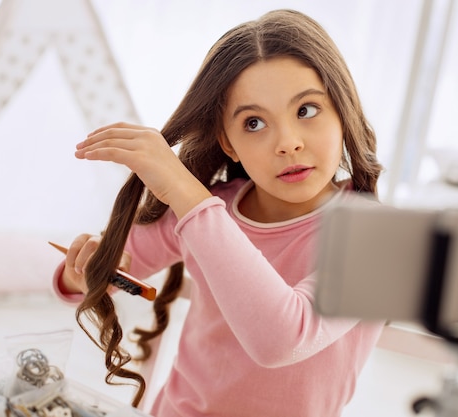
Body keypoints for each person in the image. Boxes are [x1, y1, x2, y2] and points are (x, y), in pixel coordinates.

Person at [53, 8, 385, 417]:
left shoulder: (376, 240)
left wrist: (182, 190)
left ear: (342, 110)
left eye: (306, 111)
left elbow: (282, 338)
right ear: (227, 143)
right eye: (253, 123)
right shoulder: (212, 208)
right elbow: (108, 274)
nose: (288, 143)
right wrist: (82, 270)